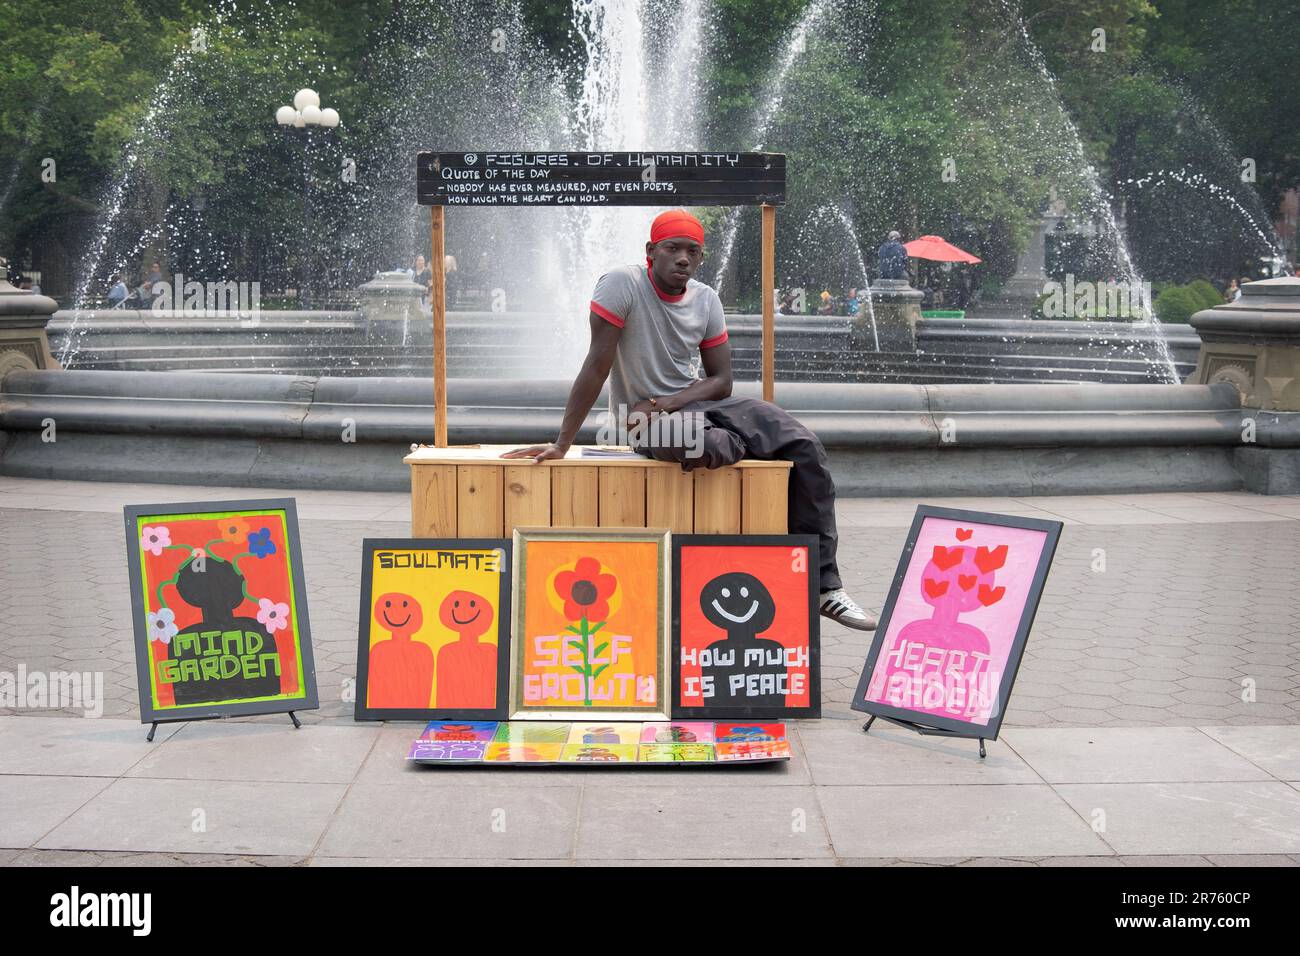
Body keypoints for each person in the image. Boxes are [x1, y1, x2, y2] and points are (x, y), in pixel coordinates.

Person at [501, 208, 877, 631]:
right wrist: (562, 443)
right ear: (651, 251)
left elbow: (722, 382)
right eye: (672, 249)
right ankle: (749, 468)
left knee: (803, 444)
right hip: (639, 421)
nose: (683, 258)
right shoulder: (621, 284)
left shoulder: (706, 299)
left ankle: (825, 586)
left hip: (686, 405)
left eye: (692, 252)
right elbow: (595, 365)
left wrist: (663, 402)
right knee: (710, 444)